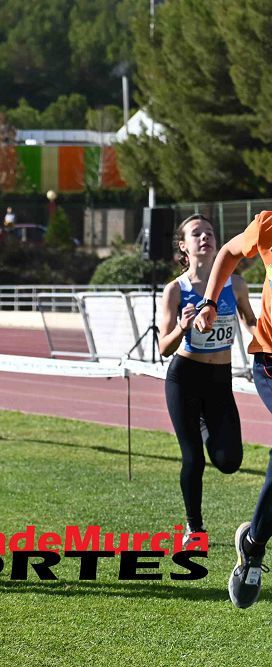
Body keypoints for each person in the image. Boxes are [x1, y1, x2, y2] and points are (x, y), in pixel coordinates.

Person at [159, 215, 255, 548]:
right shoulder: (176, 290)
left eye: (210, 233)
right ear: (183, 246)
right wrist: (182, 328)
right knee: (193, 459)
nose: (205, 238)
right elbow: (163, 347)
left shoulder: (236, 285)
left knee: (230, 461)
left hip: (219, 380)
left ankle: (204, 423)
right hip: (184, 378)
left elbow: (251, 324)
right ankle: (195, 528)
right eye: (196, 234)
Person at [195, 208, 272, 608]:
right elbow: (227, 252)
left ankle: (253, 540)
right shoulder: (268, 226)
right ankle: (255, 551)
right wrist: (209, 300)